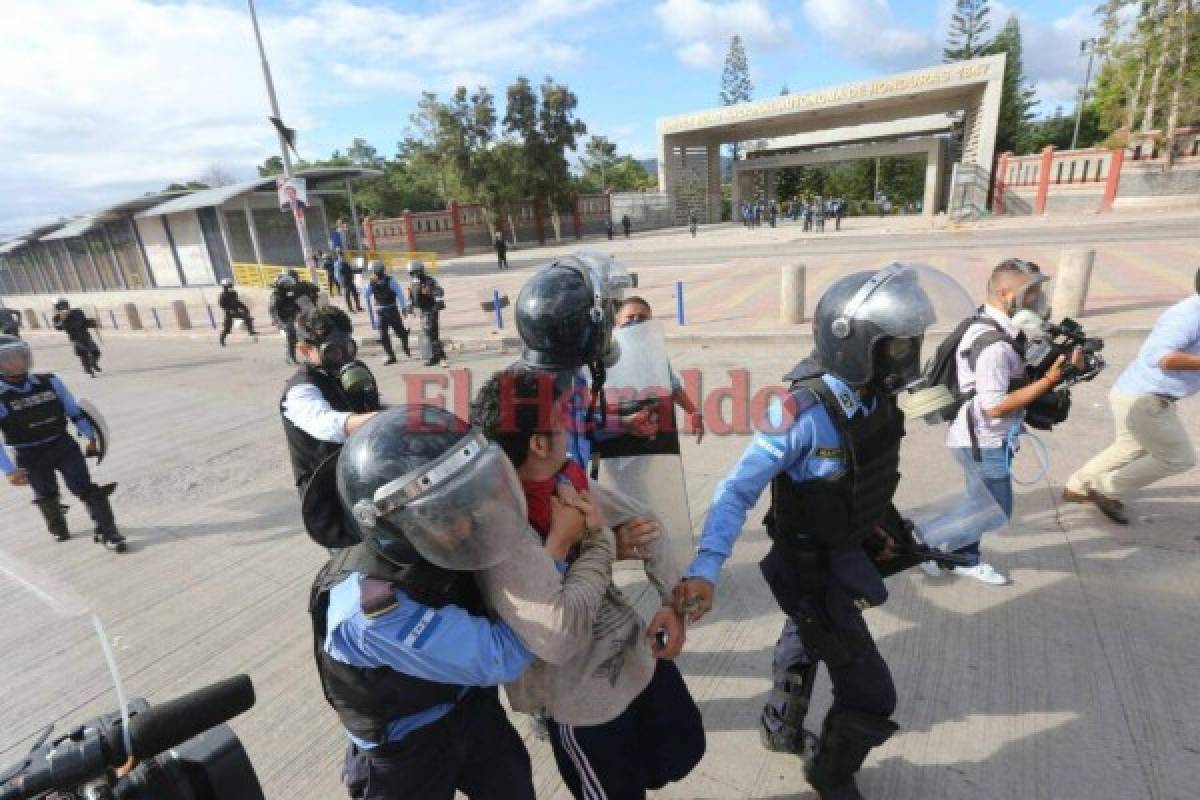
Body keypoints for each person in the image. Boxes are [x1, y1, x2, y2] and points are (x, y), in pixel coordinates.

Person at [672, 264, 970, 800]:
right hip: (807, 565)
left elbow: (865, 473)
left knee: (804, 636)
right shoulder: (799, 412)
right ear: (856, 344)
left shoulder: (877, 396)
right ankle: (828, 773)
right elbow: (735, 491)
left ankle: (779, 723)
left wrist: (882, 524)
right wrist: (705, 570)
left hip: (847, 546)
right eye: (896, 346)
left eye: (911, 342)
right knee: (870, 692)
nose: (908, 355)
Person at [314, 404, 598, 800]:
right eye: (443, 515)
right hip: (406, 747)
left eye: (464, 500)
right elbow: (505, 653)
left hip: (472, 709)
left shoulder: (442, 534)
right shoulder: (373, 611)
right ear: (392, 526)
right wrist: (557, 550)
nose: (466, 523)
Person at [472, 368, 705, 800]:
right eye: (562, 419)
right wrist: (597, 540)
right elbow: (559, 635)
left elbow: (646, 523)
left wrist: (675, 604)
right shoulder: (504, 528)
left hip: (634, 654)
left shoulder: (565, 480)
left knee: (684, 749)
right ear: (539, 443)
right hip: (579, 698)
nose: (570, 426)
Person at [929, 258, 1079, 585]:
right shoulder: (994, 345)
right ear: (1005, 293)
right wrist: (1049, 381)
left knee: (977, 505)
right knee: (995, 511)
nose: (1039, 301)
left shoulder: (997, 328)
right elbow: (994, 407)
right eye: (1032, 294)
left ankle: (959, 557)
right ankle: (926, 542)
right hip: (983, 440)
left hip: (985, 438)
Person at [1063, 268, 1200, 523]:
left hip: (1135, 393)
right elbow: (1161, 358)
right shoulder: (1188, 316)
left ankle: (1078, 485)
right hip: (1145, 400)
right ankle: (1104, 486)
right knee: (1179, 459)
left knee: (1129, 447)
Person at [1, 335, 125, 551]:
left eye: (21, 355)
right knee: (46, 494)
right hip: (29, 454)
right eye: (9, 358)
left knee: (85, 487)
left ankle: (109, 533)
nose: (18, 361)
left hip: (62, 445)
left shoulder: (49, 381)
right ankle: (58, 526)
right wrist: (9, 470)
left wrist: (91, 437)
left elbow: (74, 411)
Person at [280, 306, 382, 548]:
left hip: (362, 479)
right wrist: (385, 419)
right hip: (330, 496)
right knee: (357, 564)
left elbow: (370, 407)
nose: (344, 357)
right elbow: (328, 423)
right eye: (333, 351)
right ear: (305, 350)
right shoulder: (300, 392)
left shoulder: (355, 372)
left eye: (348, 348)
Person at [614, 296, 704, 442]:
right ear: (617, 322)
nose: (636, 321)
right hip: (617, 430)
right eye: (630, 317)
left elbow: (671, 385)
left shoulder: (654, 351)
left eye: (642, 318)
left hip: (654, 425)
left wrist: (693, 412)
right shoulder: (607, 353)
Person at [362, 261, 411, 365]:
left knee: (400, 332)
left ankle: (405, 347)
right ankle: (391, 356)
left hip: (392, 309)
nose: (376, 274)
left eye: (376, 272)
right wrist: (370, 285)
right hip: (380, 311)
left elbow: (400, 294)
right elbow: (366, 295)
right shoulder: (372, 282)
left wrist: (403, 308)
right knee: (383, 336)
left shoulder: (390, 280)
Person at [408, 261, 446, 367]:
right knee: (430, 334)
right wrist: (409, 306)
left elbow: (440, 291)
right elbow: (411, 296)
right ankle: (441, 354)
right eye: (412, 273)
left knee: (431, 333)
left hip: (431, 309)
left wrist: (434, 297)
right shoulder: (414, 283)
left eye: (414, 273)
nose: (413, 275)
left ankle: (436, 357)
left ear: (419, 271)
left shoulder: (429, 281)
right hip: (422, 311)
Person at [51, 298, 101, 377]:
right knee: (83, 353)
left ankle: (93, 363)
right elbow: (58, 327)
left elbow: (85, 322)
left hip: (86, 336)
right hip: (75, 338)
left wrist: (93, 322)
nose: (63, 308)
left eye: (64, 305)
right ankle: (89, 370)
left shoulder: (77, 312)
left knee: (96, 352)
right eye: (60, 306)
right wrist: (62, 319)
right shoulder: (57, 317)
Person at [217, 279, 257, 347]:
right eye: (229, 285)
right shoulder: (222, 295)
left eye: (230, 285)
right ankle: (222, 340)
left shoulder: (234, 293)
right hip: (228, 313)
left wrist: (244, 307)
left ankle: (251, 332)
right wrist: (229, 310)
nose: (230, 286)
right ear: (224, 286)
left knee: (248, 318)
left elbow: (237, 302)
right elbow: (222, 305)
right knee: (227, 329)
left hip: (236, 311)